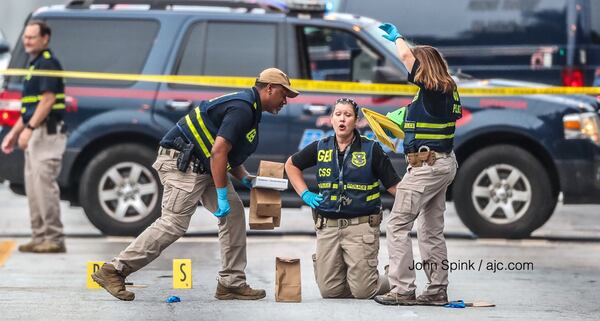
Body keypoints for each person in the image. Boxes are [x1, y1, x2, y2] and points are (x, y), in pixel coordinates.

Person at [92, 68, 299, 301]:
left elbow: (223, 153)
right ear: (269, 89)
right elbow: (218, 151)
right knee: (173, 223)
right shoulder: (242, 108)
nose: (285, 101)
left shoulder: (249, 108)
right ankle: (114, 270)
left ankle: (231, 282)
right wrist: (221, 193)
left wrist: (244, 178)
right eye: (283, 95)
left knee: (234, 215)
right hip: (183, 164)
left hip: (203, 166)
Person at [374, 23, 462, 306]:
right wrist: (385, 124)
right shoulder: (437, 94)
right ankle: (437, 290)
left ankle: (402, 289)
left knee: (398, 224)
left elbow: (406, 59)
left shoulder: (436, 90)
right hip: (440, 165)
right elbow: (413, 119)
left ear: (425, 69)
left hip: (427, 167)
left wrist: (398, 39)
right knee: (430, 229)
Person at [285, 98, 400, 299]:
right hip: (327, 227)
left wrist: (418, 203)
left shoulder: (371, 149)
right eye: (338, 114)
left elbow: (394, 187)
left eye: (348, 115)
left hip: (360, 227)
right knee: (330, 291)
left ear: (357, 121)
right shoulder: (320, 147)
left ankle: (395, 276)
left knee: (365, 292)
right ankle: (356, 278)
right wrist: (305, 193)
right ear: (331, 119)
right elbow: (291, 165)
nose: (342, 119)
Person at [1, 21, 67, 253]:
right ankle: (40, 236)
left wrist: (28, 128)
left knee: (44, 186)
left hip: (46, 133)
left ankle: (54, 238)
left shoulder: (47, 63)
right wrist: (14, 133)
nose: (26, 41)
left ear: (45, 38)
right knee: (34, 187)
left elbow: (47, 101)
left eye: (32, 37)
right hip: (36, 131)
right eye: (25, 37)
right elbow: (29, 108)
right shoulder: (35, 65)